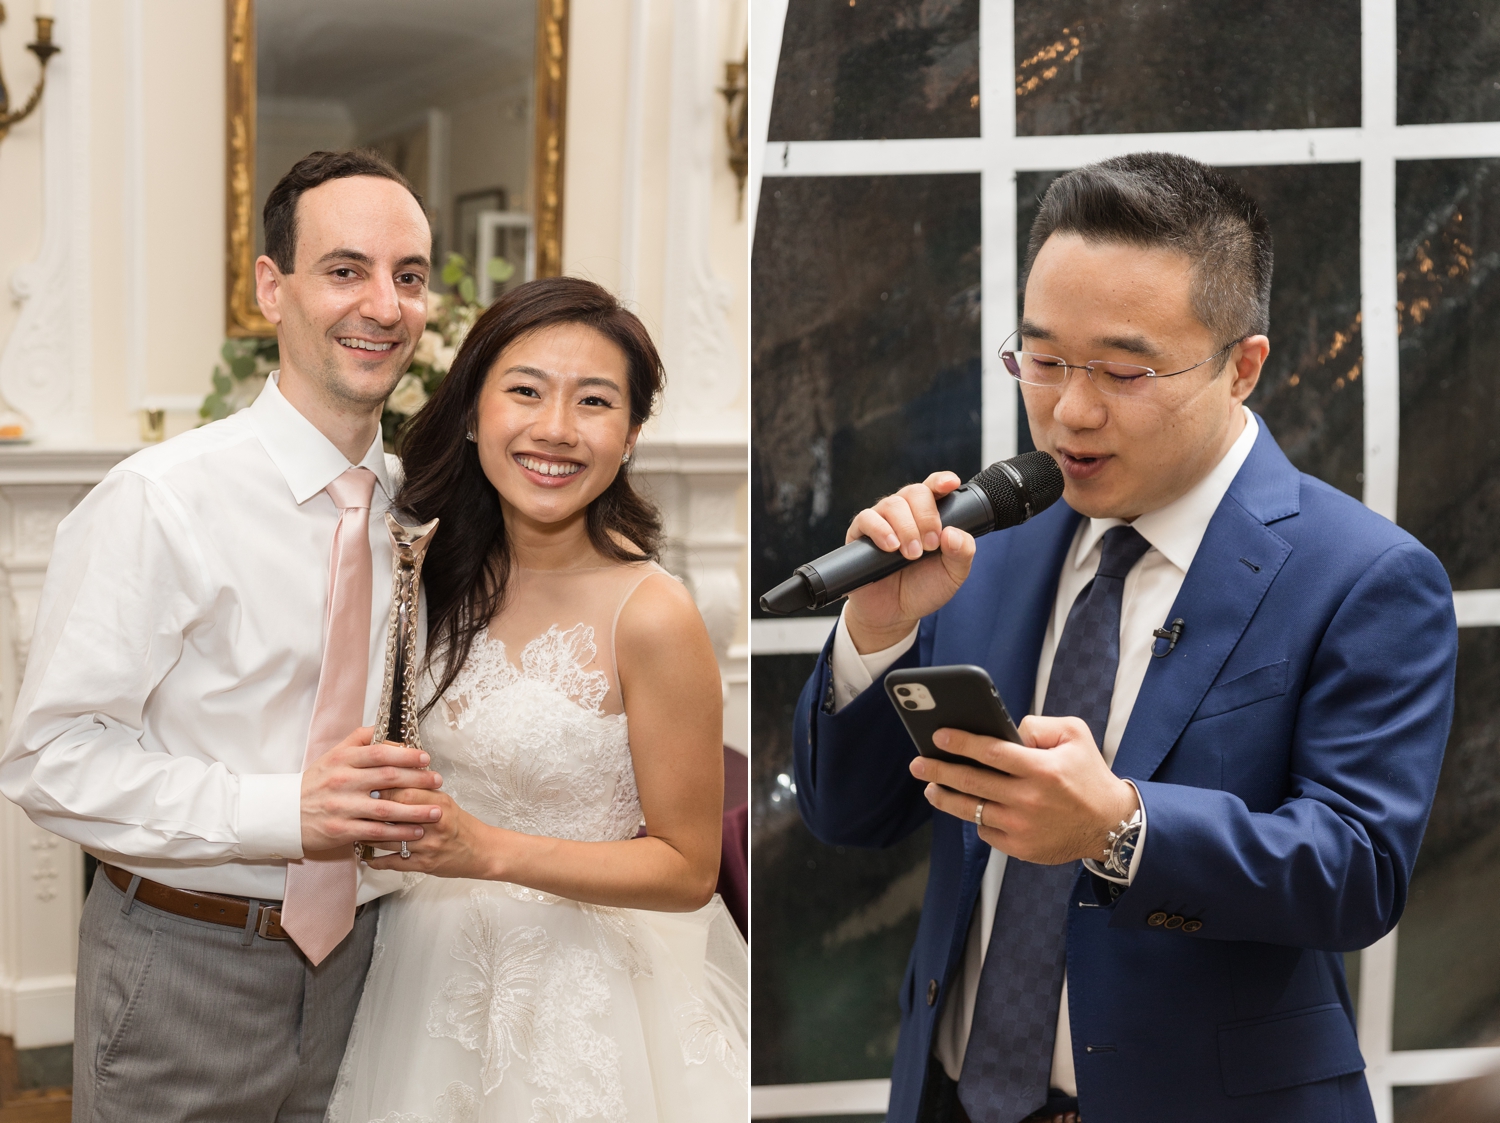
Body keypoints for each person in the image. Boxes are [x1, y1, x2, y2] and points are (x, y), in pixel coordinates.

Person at [791, 153, 1457, 1123]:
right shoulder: (996, 541)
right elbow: (850, 816)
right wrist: (878, 629)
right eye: (1044, 359)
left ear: (1244, 364)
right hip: (950, 1095)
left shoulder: (1364, 573)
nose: (1070, 410)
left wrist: (1120, 829)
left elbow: (1356, 875)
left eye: (1123, 370)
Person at [0, 148, 445, 1121]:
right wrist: (283, 810)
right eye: (345, 270)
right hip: (182, 963)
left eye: (408, 277)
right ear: (270, 288)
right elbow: (47, 758)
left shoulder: (422, 509)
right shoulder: (159, 500)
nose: (383, 303)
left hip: (375, 967)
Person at [325, 276, 748, 1122]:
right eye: (525, 391)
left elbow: (687, 867)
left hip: (586, 999)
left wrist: (482, 849)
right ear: (475, 410)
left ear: (628, 435)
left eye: (594, 402)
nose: (555, 429)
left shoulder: (653, 614)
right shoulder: (427, 569)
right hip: (420, 969)